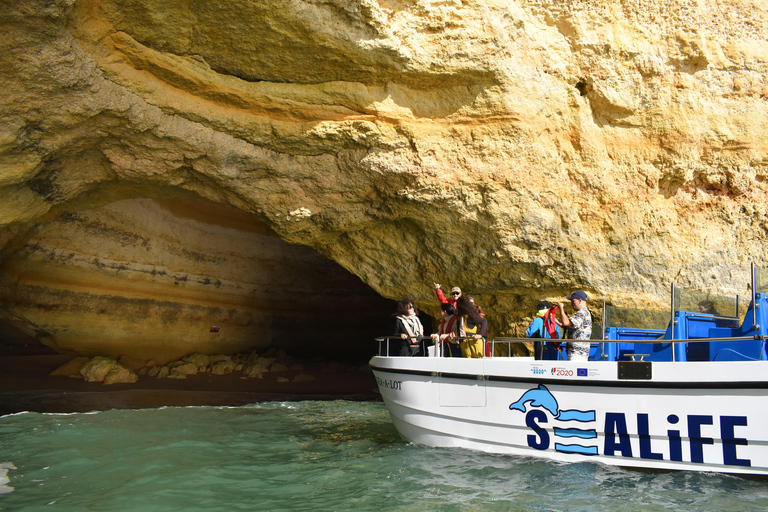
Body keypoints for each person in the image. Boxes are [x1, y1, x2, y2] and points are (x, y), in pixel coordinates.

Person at [557, 291, 592, 361]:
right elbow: (567, 324)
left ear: (580, 301)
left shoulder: (582, 313)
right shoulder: (583, 313)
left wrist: (561, 308)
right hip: (578, 352)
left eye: (573, 301)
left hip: (577, 353)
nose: (571, 304)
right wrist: (553, 319)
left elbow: (566, 322)